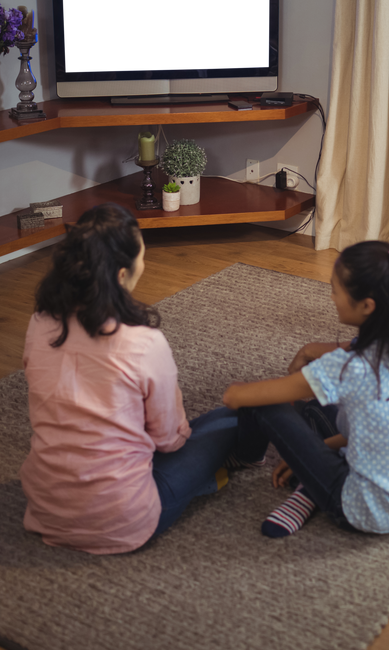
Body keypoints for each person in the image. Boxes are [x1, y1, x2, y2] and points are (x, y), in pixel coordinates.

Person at [20, 203, 238, 554]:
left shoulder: (39, 323)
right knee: (233, 416)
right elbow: (168, 440)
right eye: (142, 257)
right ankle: (203, 480)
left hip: (46, 509)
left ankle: (198, 479)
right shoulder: (143, 343)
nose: (145, 265)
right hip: (123, 520)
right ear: (121, 275)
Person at [222, 241, 389, 538]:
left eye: (335, 290)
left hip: (361, 509)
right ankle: (308, 484)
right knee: (315, 409)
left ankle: (249, 455)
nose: (331, 297)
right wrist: (315, 451)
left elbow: (241, 396)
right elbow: (375, 429)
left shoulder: (350, 367)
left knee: (262, 403)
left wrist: (235, 394)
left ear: (367, 306)